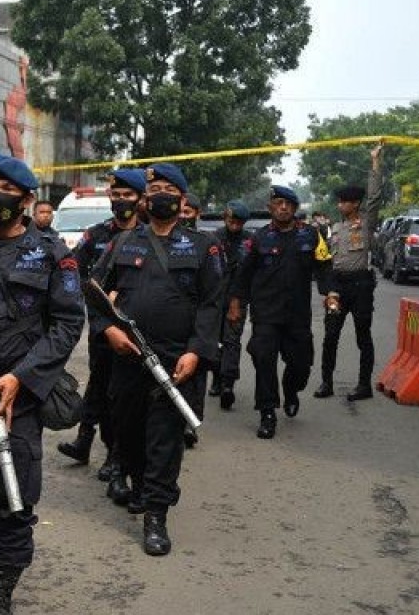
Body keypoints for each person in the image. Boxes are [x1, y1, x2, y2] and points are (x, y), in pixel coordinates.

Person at [0, 154, 84, 614]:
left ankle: (2, 585)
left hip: (20, 396)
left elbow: (66, 325)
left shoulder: (53, 256)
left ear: (27, 200)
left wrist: (21, 377)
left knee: (17, 495)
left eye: (5, 189)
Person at [88, 162, 223, 556]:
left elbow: (212, 304)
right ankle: (138, 480)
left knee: (164, 438)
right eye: (154, 189)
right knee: (127, 432)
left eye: (168, 188)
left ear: (181, 199)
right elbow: (94, 290)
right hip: (128, 357)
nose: (160, 194)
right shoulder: (124, 243)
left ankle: (156, 515)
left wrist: (197, 350)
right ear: (145, 199)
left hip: (176, 359)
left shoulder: (203, 246)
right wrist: (108, 329)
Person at [56, 168, 146, 486]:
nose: (121, 201)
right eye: (116, 195)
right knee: (104, 391)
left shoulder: (148, 236)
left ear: (139, 199)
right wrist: (93, 295)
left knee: (126, 397)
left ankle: (120, 457)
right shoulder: (96, 235)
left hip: (137, 330)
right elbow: (73, 272)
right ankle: (110, 451)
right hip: (101, 329)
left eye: (128, 195)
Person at [231, 185, 331, 439]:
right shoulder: (258, 238)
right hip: (266, 312)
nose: (283, 207)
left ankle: (291, 389)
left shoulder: (311, 235)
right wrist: (236, 302)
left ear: (295, 208)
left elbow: (324, 266)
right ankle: (267, 412)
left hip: (297, 314)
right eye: (278, 203)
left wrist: (330, 292)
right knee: (264, 358)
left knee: (301, 363)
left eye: (288, 203)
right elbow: (243, 274)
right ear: (270, 208)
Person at [316, 145, 385, 402]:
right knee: (330, 334)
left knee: (362, 335)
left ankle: (363, 385)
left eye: (344, 201)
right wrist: (328, 287)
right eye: (339, 201)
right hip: (338, 286)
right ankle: (326, 382)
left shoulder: (366, 223)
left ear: (355, 203)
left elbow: (376, 196)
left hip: (361, 285)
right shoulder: (335, 227)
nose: (340, 204)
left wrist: (375, 163)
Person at [207, 201, 254, 410]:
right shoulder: (213, 238)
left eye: (239, 222)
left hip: (238, 299)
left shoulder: (249, 241)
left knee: (231, 342)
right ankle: (217, 378)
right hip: (214, 298)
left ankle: (228, 384)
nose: (234, 225)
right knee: (215, 342)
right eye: (231, 221)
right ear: (225, 218)